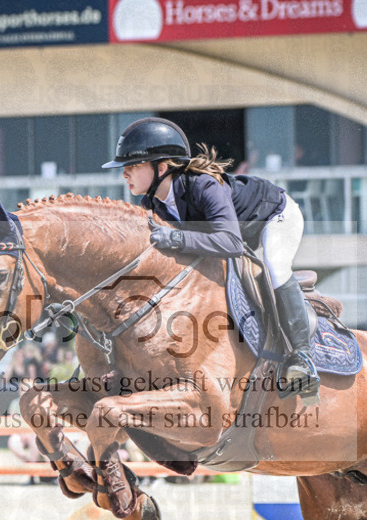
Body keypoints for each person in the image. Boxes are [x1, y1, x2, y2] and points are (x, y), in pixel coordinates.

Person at [102, 117, 319, 402]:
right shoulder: (151, 204)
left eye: (132, 166)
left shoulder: (203, 186)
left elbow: (230, 242)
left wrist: (177, 239)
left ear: (161, 168)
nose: (124, 174)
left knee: (275, 269)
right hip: (237, 233)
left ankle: (301, 357)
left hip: (274, 216)